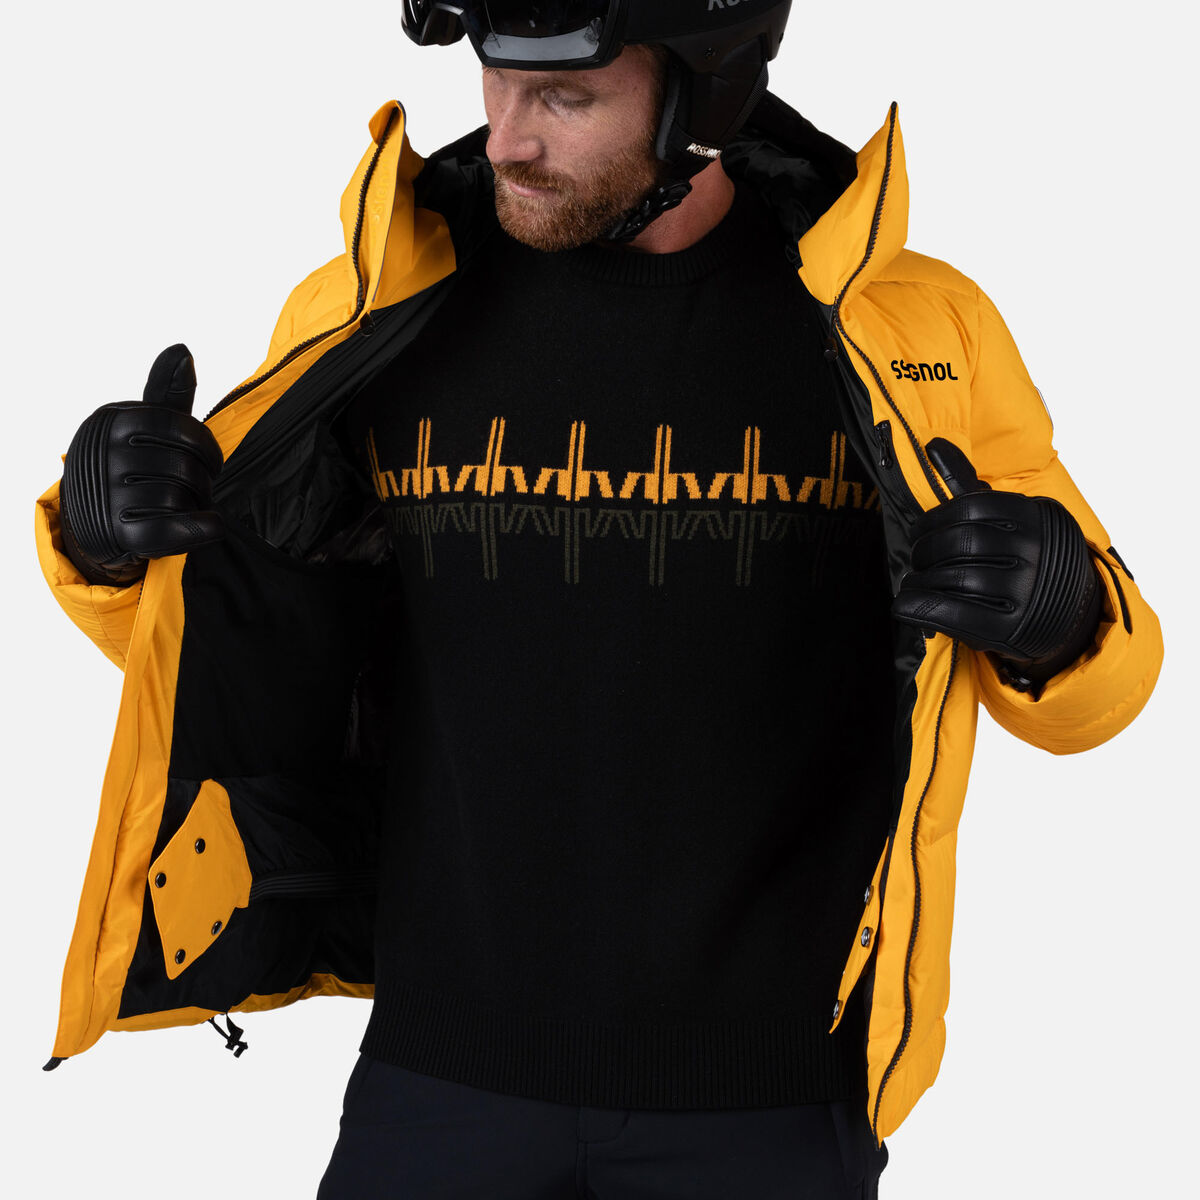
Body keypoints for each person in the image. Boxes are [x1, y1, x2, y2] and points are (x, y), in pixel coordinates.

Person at [34, 1, 1163, 1196]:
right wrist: (112, 547)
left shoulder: (905, 333)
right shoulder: (380, 303)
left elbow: (1105, 682)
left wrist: (1059, 619)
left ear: (702, 100)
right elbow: (255, 645)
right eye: (496, 81)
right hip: (437, 1080)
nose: (505, 138)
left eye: (565, 99)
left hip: (770, 1103)